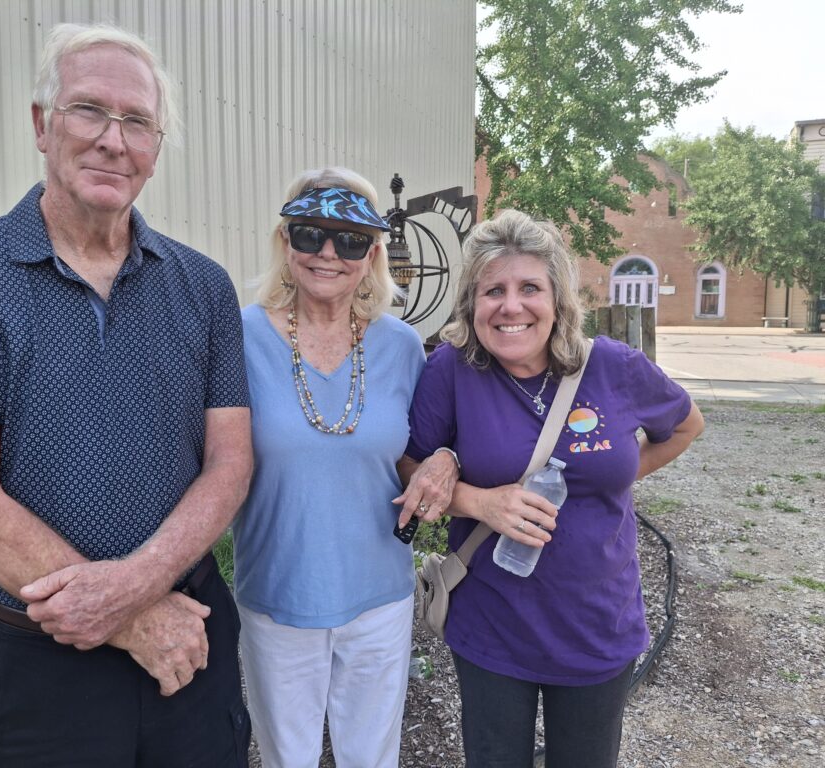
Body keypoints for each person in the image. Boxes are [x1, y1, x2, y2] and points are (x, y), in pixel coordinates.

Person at [0, 23, 252, 767]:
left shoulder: (204, 287)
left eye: (138, 122)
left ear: (156, 149)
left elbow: (229, 463)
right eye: (89, 110)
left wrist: (137, 589)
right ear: (42, 124)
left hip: (188, 637)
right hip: (38, 665)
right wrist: (131, 619)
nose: (112, 141)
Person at [398, 209, 704, 768]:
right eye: (493, 289)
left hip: (597, 624)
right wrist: (476, 501)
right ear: (472, 303)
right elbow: (408, 464)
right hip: (493, 624)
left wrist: (615, 473)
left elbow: (686, 426)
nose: (511, 306)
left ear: (558, 298)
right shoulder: (452, 371)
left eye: (529, 287)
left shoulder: (612, 366)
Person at [231, 167, 453, 768]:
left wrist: (446, 460)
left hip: (379, 595)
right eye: (310, 234)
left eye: (351, 239)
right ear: (285, 242)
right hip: (278, 592)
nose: (329, 253)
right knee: (288, 759)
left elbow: (423, 448)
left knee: (372, 758)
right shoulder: (238, 337)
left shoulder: (403, 346)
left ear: (373, 253)